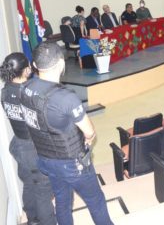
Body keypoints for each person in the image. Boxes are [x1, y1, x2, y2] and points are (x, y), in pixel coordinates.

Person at [20, 42, 113, 225]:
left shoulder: (25, 89)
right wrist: (88, 139)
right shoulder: (66, 97)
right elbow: (89, 131)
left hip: (45, 159)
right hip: (72, 164)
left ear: (35, 66)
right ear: (62, 64)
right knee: (96, 201)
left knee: (62, 201)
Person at [0, 53, 57, 225]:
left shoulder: (5, 91)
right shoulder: (30, 93)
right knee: (43, 189)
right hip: (34, 148)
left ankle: (32, 220)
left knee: (29, 183)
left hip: (19, 145)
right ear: (26, 70)